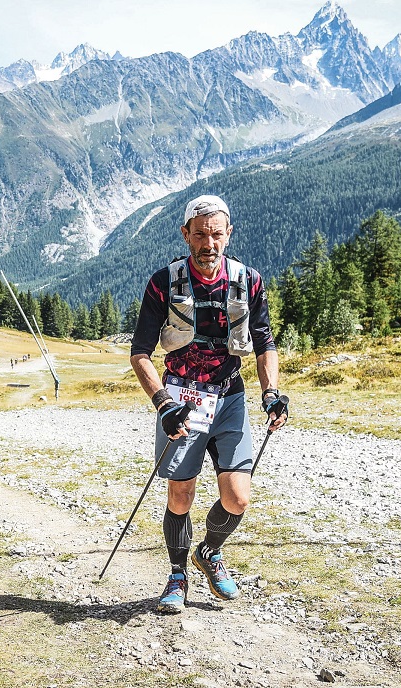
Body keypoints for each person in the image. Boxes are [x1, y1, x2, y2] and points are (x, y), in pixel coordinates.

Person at [129, 194, 287, 615]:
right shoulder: (163, 282)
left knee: (238, 498)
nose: (208, 243)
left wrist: (270, 392)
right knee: (180, 495)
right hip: (181, 397)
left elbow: (265, 342)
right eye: (200, 234)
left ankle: (209, 552)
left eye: (217, 234)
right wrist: (162, 402)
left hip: (230, 396)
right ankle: (177, 574)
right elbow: (140, 352)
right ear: (185, 234)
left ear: (228, 233)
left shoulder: (249, 281)